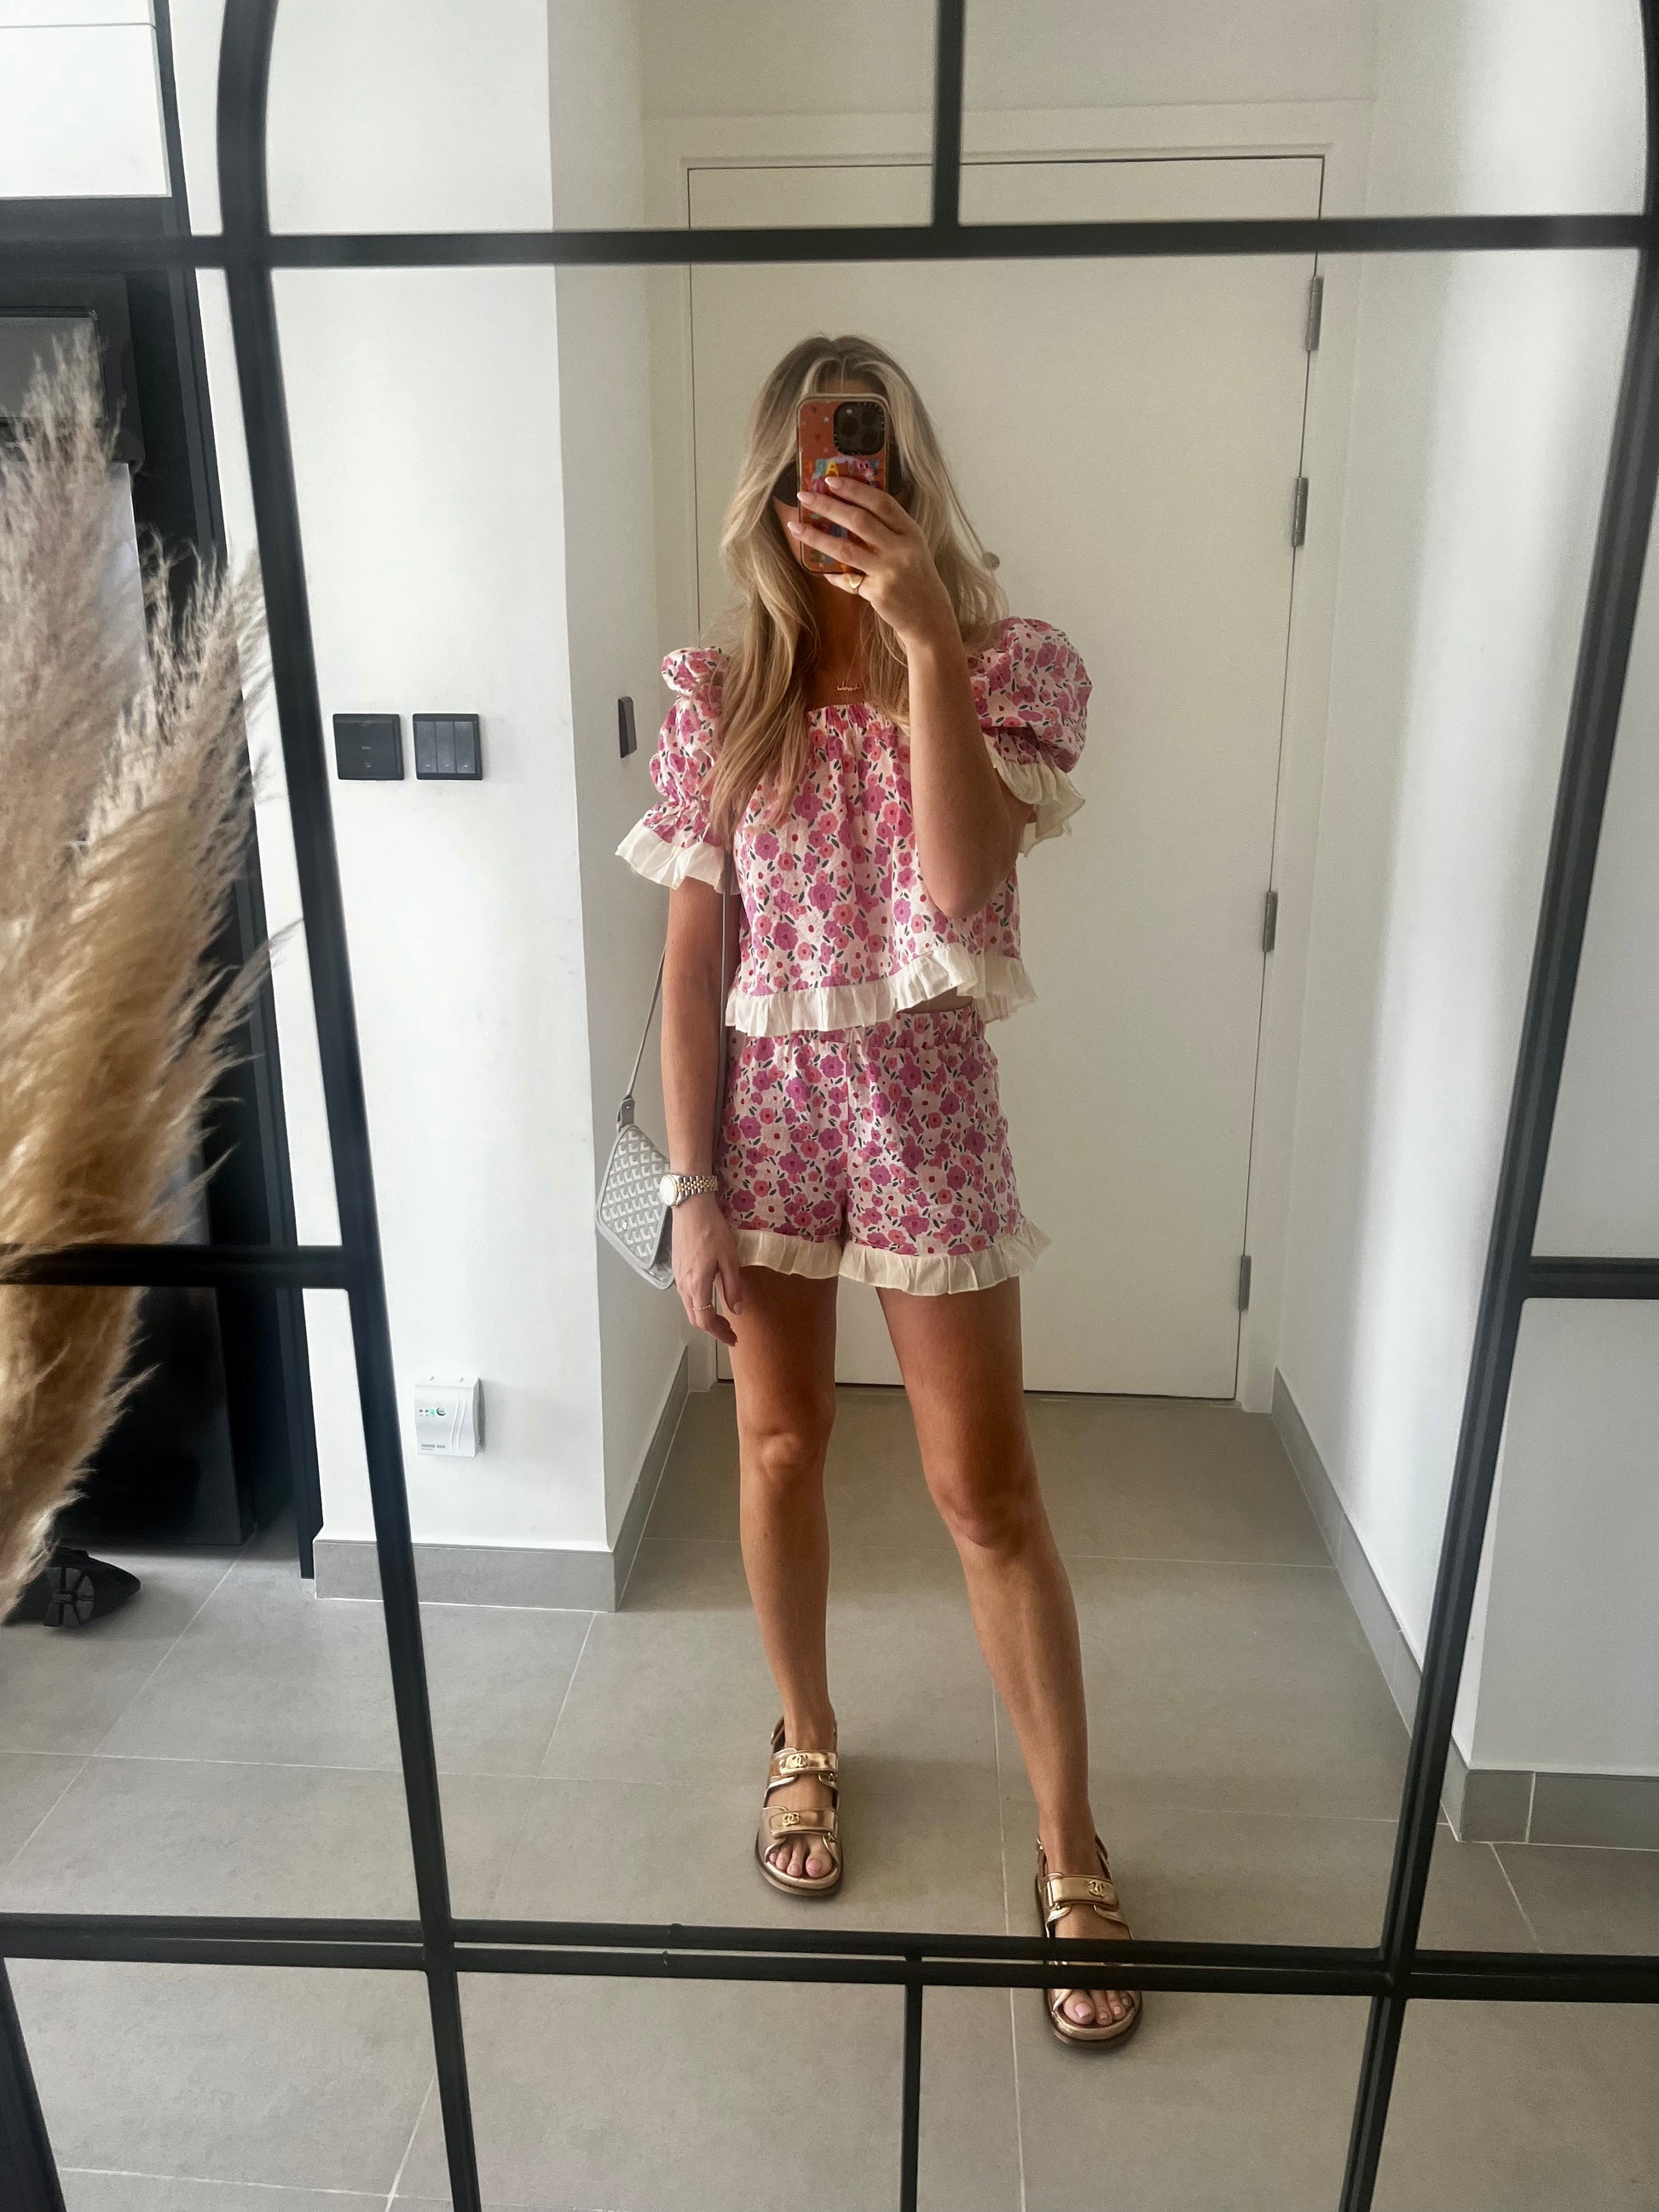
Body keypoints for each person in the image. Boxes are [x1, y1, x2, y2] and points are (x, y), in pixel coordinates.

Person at [616, 333, 1139, 2046]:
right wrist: (687, 1183)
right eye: (810, 460)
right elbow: (692, 963)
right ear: (772, 486)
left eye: (869, 454)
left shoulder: (1001, 664)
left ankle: (1069, 1839)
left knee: (983, 1493)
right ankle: (805, 1736)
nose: (837, 484)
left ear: (908, 476)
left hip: (925, 1107)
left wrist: (918, 639)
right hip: (763, 1115)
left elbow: (962, 881)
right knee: (777, 1443)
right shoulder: (720, 695)